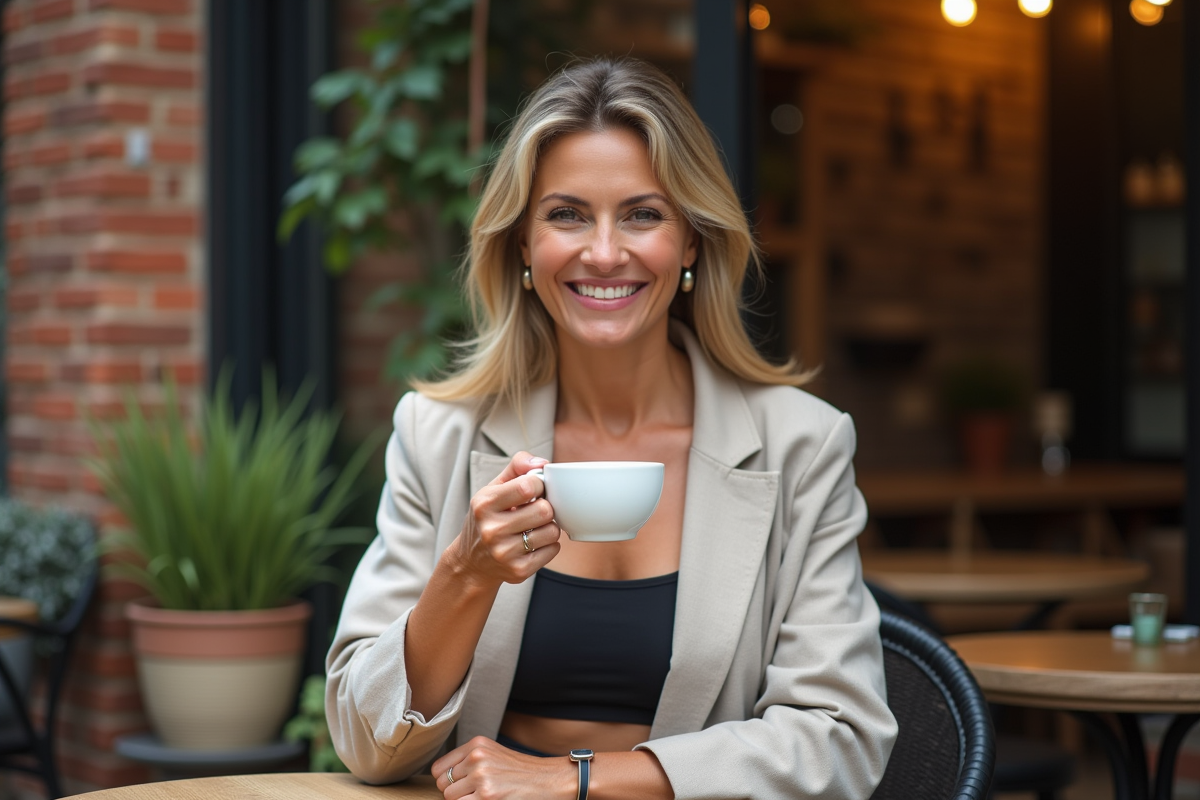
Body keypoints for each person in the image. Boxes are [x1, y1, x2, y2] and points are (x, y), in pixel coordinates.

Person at [326, 57, 897, 800]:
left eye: (642, 214)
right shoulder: (440, 434)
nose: (602, 252)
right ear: (523, 246)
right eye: (566, 214)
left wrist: (572, 780)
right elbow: (362, 742)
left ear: (691, 241)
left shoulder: (800, 445)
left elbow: (840, 736)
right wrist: (465, 573)